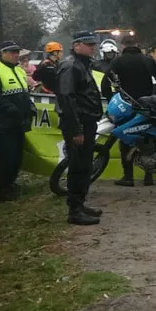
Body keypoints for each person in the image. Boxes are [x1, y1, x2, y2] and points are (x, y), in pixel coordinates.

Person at [102, 35, 156, 187]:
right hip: (146, 106)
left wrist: (112, 99)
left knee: (125, 140)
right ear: (137, 44)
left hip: (125, 106)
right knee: (148, 138)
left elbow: (105, 83)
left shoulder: (118, 61)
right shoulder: (148, 60)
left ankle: (128, 177)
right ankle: (148, 176)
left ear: (122, 46)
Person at [56, 31, 104, 225]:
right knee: (78, 167)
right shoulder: (71, 66)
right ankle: (74, 211)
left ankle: (80, 204)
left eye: (93, 44)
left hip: (87, 122)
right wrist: (76, 130)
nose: (93, 47)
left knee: (85, 167)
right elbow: (67, 99)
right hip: (79, 124)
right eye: (88, 44)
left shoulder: (82, 64)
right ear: (76, 46)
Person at [0, 41, 36, 202]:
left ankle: (10, 184)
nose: (16, 55)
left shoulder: (19, 70)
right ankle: (3, 190)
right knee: (5, 158)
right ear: (3, 53)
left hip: (18, 124)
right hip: (3, 125)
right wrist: (12, 109)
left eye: (17, 52)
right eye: (12, 52)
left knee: (16, 157)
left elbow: (24, 93)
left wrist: (30, 106)